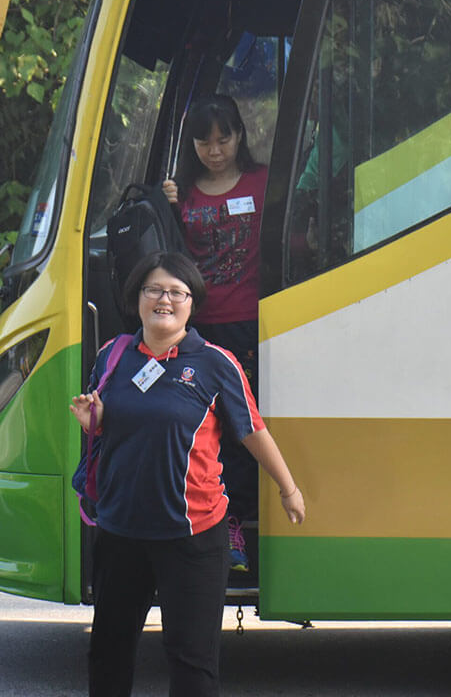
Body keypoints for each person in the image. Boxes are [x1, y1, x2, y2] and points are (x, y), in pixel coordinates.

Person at [69, 250, 305, 697]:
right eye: (154, 289)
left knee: (192, 663)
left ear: (191, 303)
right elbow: (114, 426)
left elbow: (251, 429)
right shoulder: (112, 356)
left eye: (177, 292)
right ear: (137, 297)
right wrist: (94, 420)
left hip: (193, 536)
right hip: (121, 532)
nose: (165, 299)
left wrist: (288, 488)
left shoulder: (216, 363)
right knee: (108, 653)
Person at [162, 94, 266, 572]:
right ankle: (204, 530)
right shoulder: (180, 194)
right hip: (197, 331)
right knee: (205, 433)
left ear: (239, 135)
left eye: (223, 139)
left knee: (244, 431)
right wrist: (166, 207)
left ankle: (237, 529)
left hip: (250, 325)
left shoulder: (263, 183)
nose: (215, 150)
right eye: (205, 141)